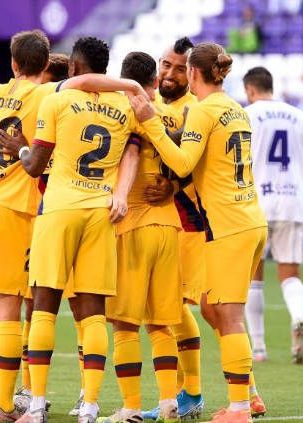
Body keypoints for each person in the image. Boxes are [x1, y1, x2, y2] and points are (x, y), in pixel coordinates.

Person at [0, 32, 150, 421]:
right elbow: (124, 142)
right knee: (70, 310)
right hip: (56, 210)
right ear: (50, 68)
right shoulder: (74, 99)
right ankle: (49, 404)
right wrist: (130, 85)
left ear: (12, 63)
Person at [0, 36, 171, 423]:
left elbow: (35, 165)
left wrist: (19, 150)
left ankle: (37, 406)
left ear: (73, 67)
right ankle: (90, 405)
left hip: (59, 209)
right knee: (92, 313)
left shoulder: (55, 98)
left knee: (43, 306)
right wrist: (121, 193)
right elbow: (132, 151)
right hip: (100, 212)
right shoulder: (124, 106)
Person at [129, 42, 268, 423]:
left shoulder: (203, 112)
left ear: (192, 73)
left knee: (228, 313)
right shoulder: (236, 108)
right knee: (211, 307)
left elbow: (183, 162)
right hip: (251, 219)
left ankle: (239, 408)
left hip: (229, 226)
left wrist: (150, 122)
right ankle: (249, 395)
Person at [96, 51, 184, 423]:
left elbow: (123, 156)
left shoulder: (124, 111)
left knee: (126, 325)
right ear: (154, 79)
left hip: (132, 223)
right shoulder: (171, 115)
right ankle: (168, 404)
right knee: (162, 323)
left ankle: (131, 407)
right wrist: (174, 186)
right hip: (169, 226)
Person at [141, 36, 207, 422]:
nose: (167, 73)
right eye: (164, 64)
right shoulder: (152, 103)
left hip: (188, 222)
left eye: (178, 68)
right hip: (161, 223)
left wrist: (173, 185)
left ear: (191, 72)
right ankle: (187, 393)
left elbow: (196, 162)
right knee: (167, 312)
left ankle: (193, 392)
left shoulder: (193, 110)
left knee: (174, 310)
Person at [243, 66, 303, 365]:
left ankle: (259, 348)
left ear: (250, 90)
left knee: (253, 278)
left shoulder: (247, 115)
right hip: (292, 201)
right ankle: (298, 318)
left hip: (256, 202)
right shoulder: (298, 115)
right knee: (290, 273)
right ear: (270, 86)